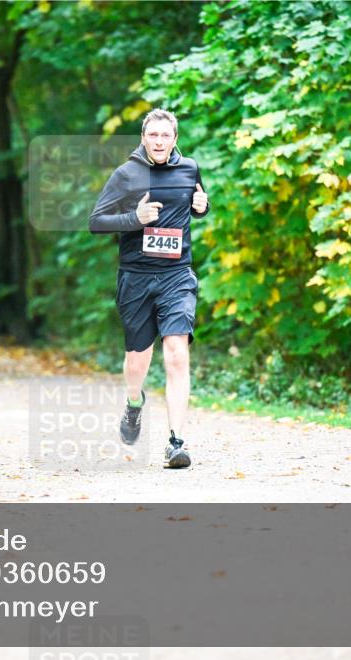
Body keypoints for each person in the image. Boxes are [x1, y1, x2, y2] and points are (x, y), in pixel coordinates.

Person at [88, 108, 210, 469]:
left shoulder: (189, 169)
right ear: (143, 137)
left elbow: (195, 204)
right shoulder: (127, 175)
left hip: (176, 275)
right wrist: (134, 218)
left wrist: (202, 207)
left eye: (165, 135)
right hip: (136, 277)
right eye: (153, 135)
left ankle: (176, 442)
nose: (159, 141)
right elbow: (96, 222)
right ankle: (134, 402)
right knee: (137, 361)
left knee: (176, 353)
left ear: (175, 139)